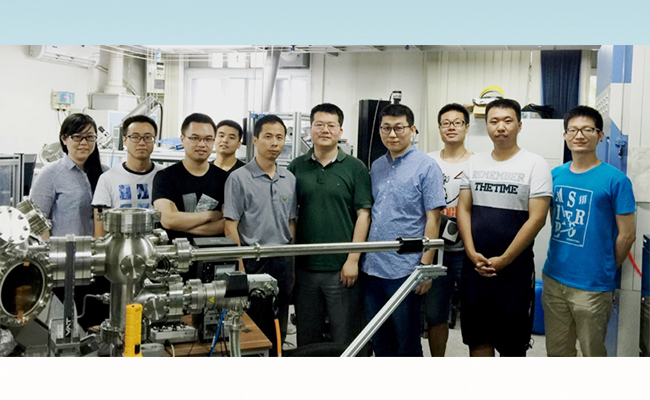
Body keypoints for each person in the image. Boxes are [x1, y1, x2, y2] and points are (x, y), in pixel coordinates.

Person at [456, 98, 552, 357]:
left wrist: (505, 259)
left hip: (514, 270)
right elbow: (463, 209)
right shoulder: (474, 163)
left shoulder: (535, 164)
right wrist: (471, 252)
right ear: (486, 126)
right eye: (494, 121)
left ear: (519, 125)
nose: (501, 127)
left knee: (513, 345)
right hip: (475, 266)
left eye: (508, 121)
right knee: (477, 339)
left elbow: (537, 218)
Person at [542, 106, 636, 357]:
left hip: (593, 285)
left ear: (600, 135)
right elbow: (551, 218)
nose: (579, 135)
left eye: (587, 130)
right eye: (573, 130)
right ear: (565, 135)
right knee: (557, 353)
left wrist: (607, 266)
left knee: (592, 354)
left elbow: (627, 234)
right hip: (554, 278)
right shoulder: (555, 175)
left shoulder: (616, 180)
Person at [361, 103, 446, 357]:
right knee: (380, 340)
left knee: (406, 341)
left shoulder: (427, 166)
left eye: (399, 128)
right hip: (372, 267)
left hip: (405, 270)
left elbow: (433, 220)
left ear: (412, 129)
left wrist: (425, 268)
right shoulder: (377, 165)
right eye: (386, 128)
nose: (392, 134)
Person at [288, 103, 372, 347]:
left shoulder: (355, 168)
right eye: (319, 125)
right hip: (305, 269)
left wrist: (353, 260)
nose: (325, 130)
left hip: (341, 269)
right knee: (307, 339)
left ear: (340, 131)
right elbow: (291, 218)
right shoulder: (296, 166)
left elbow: (364, 215)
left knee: (345, 338)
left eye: (331, 125)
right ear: (310, 129)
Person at [223, 114, 297, 354]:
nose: (274, 143)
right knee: (253, 324)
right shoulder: (239, 178)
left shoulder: (289, 179)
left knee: (279, 324)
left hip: (282, 261)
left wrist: (291, 258)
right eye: (268, 137)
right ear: (255, 140)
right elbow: (230, 225)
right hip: (253, 260)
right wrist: (239, 264)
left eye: (279, 137)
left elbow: (291, 222)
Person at [30, 113, 109, 328]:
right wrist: (49, 255)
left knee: (98, 321)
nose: (84, 142)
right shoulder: (51, 173)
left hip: (98, 262)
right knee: (68, 325)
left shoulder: (104, 174)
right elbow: (36, 218)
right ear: (64, 139)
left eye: (90, 137)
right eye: (77, 137)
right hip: (64, 265)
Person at [423, 103, 474, 356]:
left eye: (457, 122)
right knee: (434, 314)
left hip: (468, 251)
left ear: (466, 127)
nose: (451, 127)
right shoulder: (427, 161)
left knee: (475, 314)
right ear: (439, 128)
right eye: (446, 123)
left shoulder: (478, 162)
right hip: (435, 251)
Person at [152, 113, 229, 278]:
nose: (202, 144)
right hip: (173, 264)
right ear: (182, 139)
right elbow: (168, 220)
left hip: (213, 262)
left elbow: (226, 225)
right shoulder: (165, 177)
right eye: (195, 138)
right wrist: (210, 215)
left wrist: (180, 222)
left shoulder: (225, 179)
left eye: (208, 139)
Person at [92, 115, 164, 237]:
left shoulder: (164, 176)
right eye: (135, 137)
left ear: (154, 140)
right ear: (124, 140)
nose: (141, 142)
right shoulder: (107, 179)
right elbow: (100, 231)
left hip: (158, 245)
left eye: (147, 137)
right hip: (120, 245)